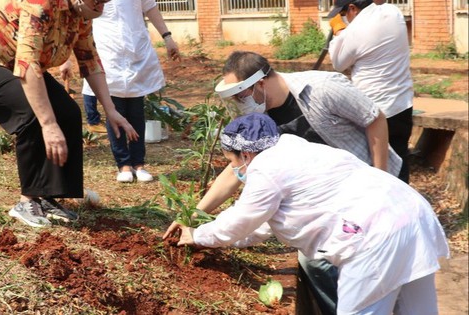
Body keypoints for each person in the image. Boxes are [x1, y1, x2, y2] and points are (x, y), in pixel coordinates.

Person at [164, 113, 449, 315]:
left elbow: (240, 221)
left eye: (231, 162)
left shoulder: (266, 168)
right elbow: (261, 226)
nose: (234, 171)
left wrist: (197, 235)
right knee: (418, 310)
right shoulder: (295, 149)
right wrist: (212, 239)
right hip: (412, 213)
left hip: (375, 235)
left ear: (246, 155)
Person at [202, 50, 403, 314]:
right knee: (320, 262)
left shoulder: (322, 89)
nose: (240, 105)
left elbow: (374, 118)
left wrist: (381, 177)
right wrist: (198, 212)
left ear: (259, 84)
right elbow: (236, 169)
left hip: (371, 184)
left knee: (373, 269)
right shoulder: (260, 118)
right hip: (331, 198)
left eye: (241, 96)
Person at [0, 0, 138, 228]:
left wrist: (111, 110)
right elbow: (27, 63)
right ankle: (26, 201)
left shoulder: (82, 14)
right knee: (32, 114)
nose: (102, 4)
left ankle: (48, 197)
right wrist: (48, 124)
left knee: (67, 112)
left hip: (12, 60)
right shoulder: (40, 5)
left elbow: (88, 60)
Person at [81, 0, 180, 183]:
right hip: (108, 50)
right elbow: (82, 13)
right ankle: (123, 164)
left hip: (136, 51)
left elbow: (150, 7)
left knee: (136, 112)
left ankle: (139, 164)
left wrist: (167, 37)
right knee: (115, 110)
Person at [328, 0, 414, 183]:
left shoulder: (355, 30)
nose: (345, 19)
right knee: (400, 160)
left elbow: (338, 63)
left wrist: (339, 30)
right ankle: (406, 204)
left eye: (344, 14)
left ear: (352, 8)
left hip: (374, 112)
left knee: (375, 169)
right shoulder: (393, 12)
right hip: (402, 104)